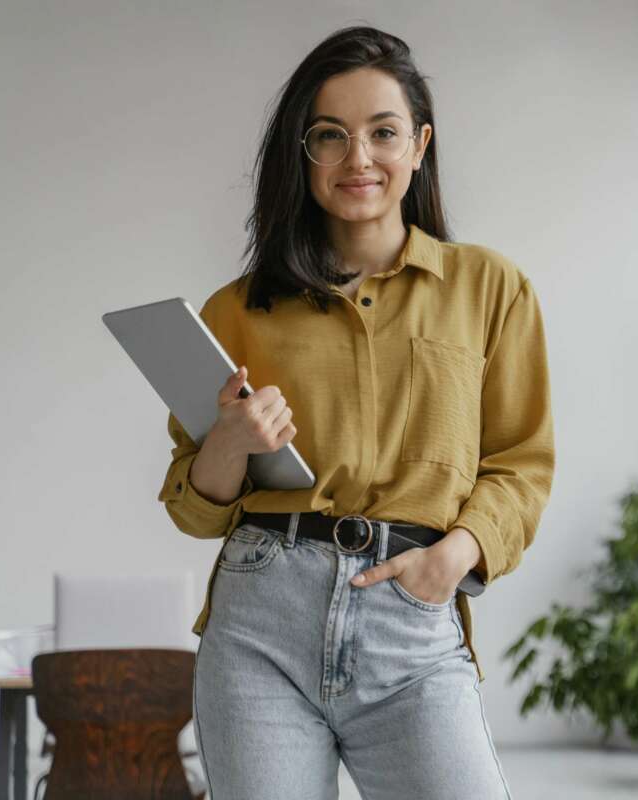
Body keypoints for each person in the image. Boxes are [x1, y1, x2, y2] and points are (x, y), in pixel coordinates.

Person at [156, 25, 555, 800]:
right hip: (259, 623)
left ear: (419, 144)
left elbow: (520, 462)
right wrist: (231, 445)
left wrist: (456, 555)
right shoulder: (236, 311)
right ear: (301, 154)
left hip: (411, 616)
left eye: (383, 133)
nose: (358, 159)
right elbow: (195, 510)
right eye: (329, 136)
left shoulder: (490, 289)